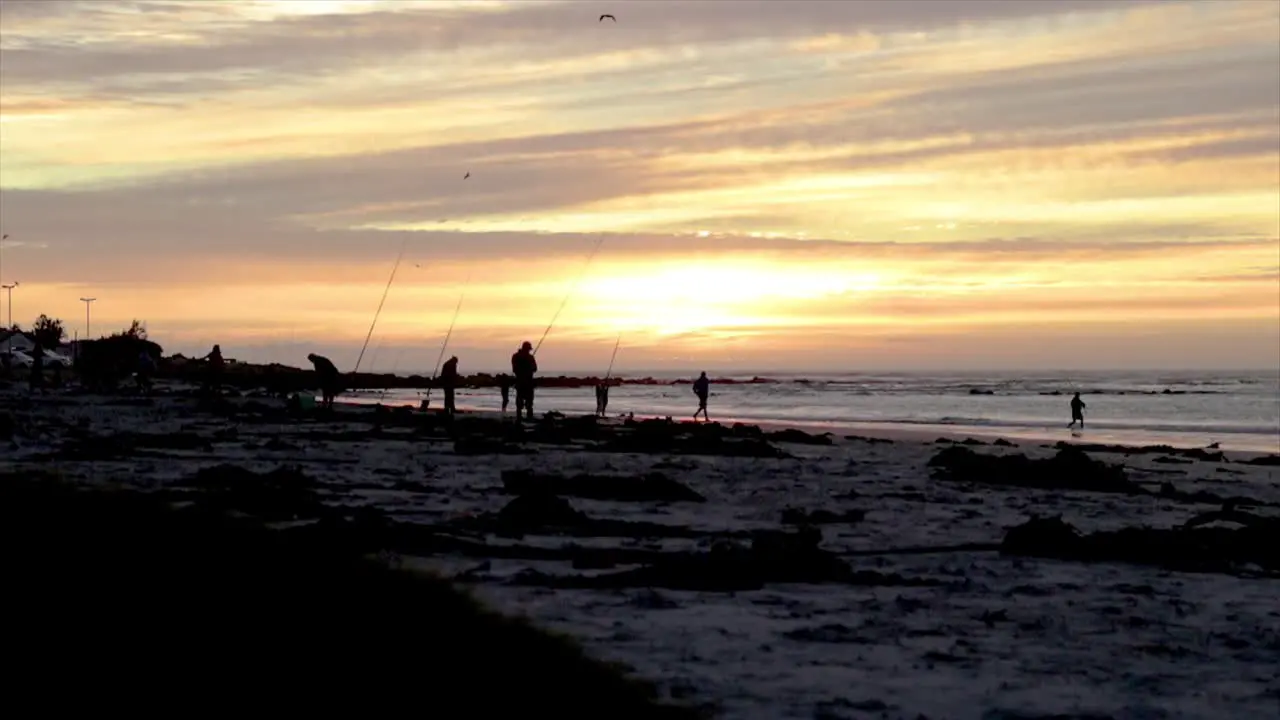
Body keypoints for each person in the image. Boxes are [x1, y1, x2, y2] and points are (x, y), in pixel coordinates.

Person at [511, 341, 537, 422]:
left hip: (521, 382)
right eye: (528, 349)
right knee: (528, 401)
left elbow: (514, 369)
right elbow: (535, 369)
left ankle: (520, 416)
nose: (529, 351)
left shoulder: (515, 356)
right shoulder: (530, 357)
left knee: (521, 400)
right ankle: (528, 416)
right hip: (526, 382)